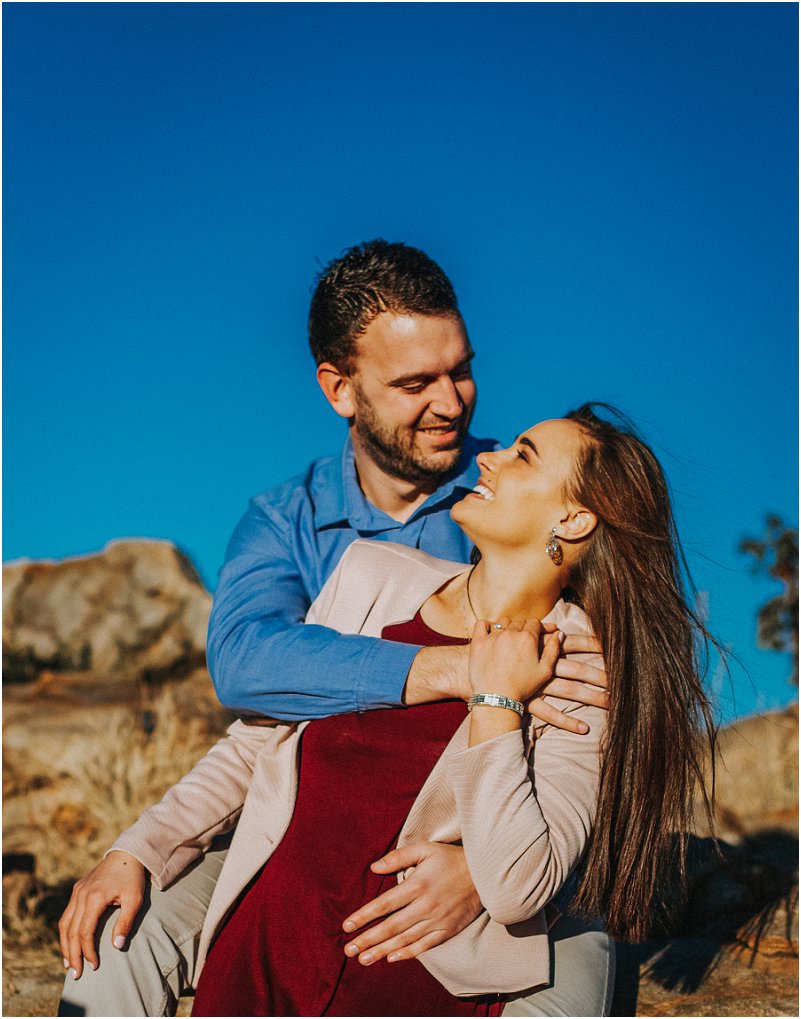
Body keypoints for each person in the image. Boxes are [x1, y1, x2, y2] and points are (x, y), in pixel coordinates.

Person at [58, 242, 610, 1017]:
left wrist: (481, 875)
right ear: (340, 388)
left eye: (459, 368)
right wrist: (455, 670)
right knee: (112, 944)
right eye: (415, 383)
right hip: (300, 835)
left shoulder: (526, 506)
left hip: (502, 850)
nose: (452, 403)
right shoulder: (291, 523)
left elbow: (597, 724)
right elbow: (249, 670)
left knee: (573, 981)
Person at [61, 405, 715, 1017]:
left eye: (522, 455)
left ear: (572, 520)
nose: (487, 460)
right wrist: (137, 848)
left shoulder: (580, 662)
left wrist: (494, 701)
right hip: (270, 943)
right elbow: (255, 744)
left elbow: (520, 882)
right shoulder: (372, 574)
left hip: (412, 975)